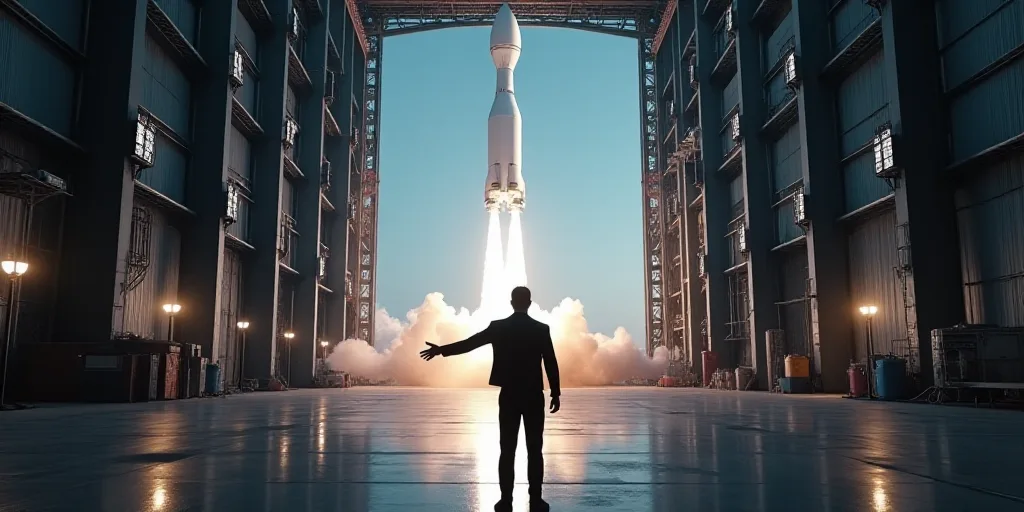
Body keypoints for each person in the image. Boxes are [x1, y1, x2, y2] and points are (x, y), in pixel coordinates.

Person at [420, 286, 561, 512]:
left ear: (511, 302)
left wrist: (441, 350)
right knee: (535, 449)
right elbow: (550, 362)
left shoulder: (499, 327)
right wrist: (555, 391)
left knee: (507, 449)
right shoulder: (541, 329)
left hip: (509, 395)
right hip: (534, 395)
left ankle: (506, 499)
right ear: (530, 302)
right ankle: (536, 499)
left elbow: (469, 343)